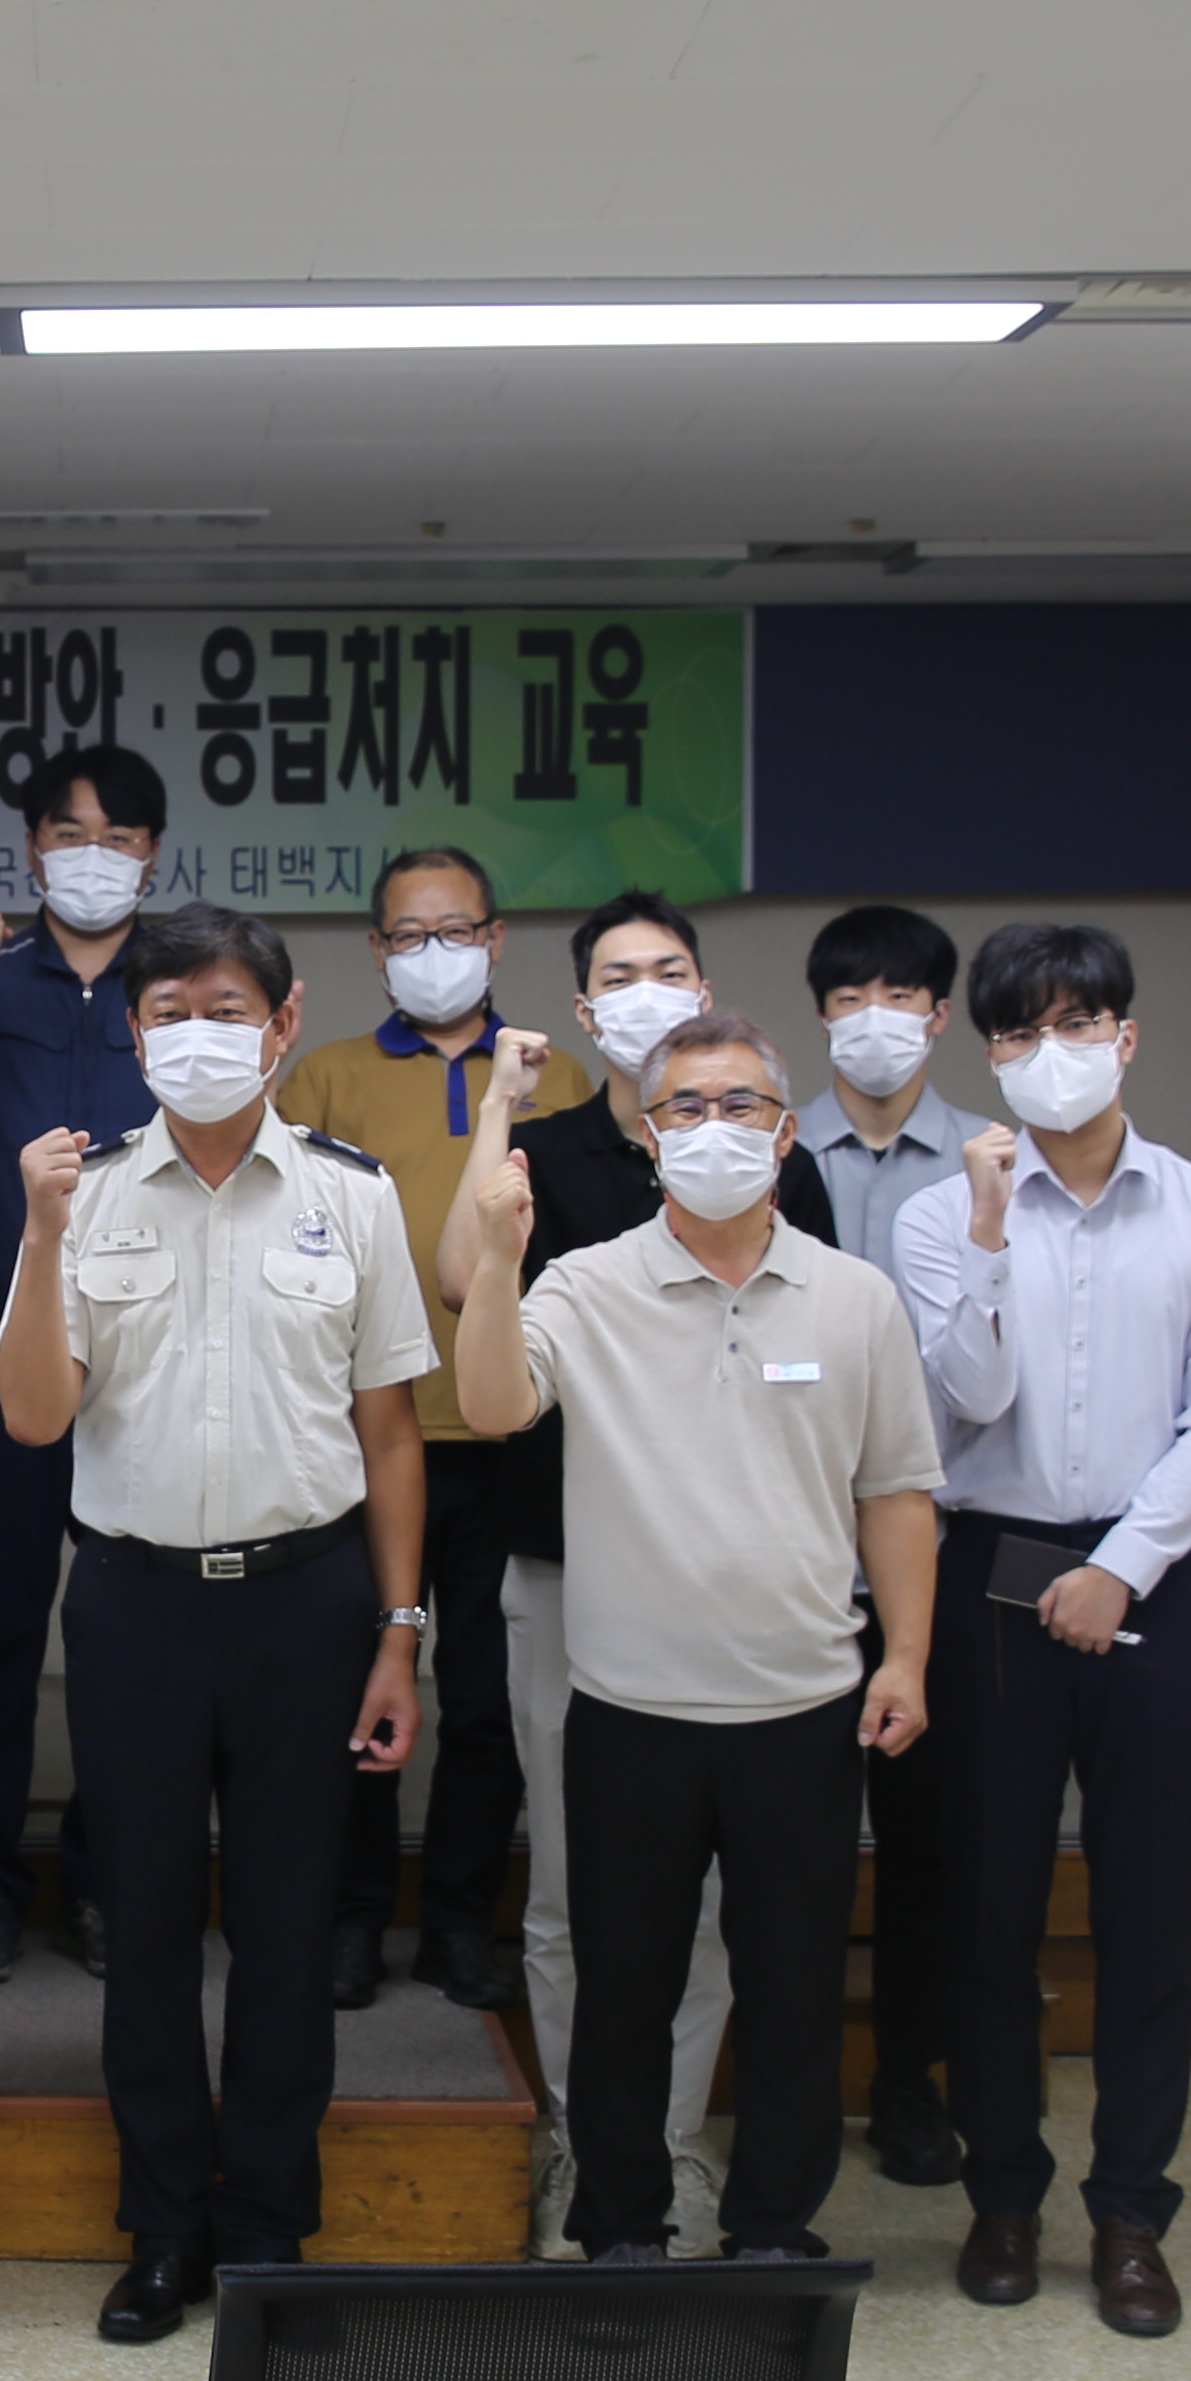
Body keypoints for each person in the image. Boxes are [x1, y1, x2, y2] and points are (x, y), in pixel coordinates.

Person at [0, 906, 433, 2345]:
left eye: (226, 1009)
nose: (198, 1035)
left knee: (291, 1930)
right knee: (146, 1928)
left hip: (309, 1602)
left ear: (283, 1023)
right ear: (134, 1034)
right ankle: (164, 2228)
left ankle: (267, 2229)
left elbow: (391, 1434)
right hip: (135, 1604)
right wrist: (41, 1233)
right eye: (170, 1011)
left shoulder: (353, 1196)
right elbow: (33, 1418)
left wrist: (398, 1631)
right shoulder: (81, 1193)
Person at [454, 1006, 939, 2267]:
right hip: (631, 1709)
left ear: (784, 1135)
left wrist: (904, 1656)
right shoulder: (587, 1282)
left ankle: (773, 2232)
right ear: (652, 1134)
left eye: (740, 1106)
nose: (712, 1127)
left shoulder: (856, 1299)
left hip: (803, 1707)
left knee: (791, 1992)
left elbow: (896, 1491)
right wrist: (499, 1259)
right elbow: (493, 1405)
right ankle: (622, 2229)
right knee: (624, 1990)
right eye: (685, 1107)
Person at [886, 922, 1191, 2342]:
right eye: (1021, 1033)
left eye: (1078, 1025)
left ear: (1127, 1036)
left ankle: (1131, 2212)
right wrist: (991, 1235)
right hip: (993, 1571)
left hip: (1151, 1577)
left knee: (1148, 1910)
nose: (1052, 1054)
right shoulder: (942, 1218)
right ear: (990, 1057)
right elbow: (967, 1403)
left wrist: (1122, 1567)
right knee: (989, 1904)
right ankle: (1003, 2193)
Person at [432, 895, 832, 2251]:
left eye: (670, 969)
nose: (647, 990)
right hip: (569, 1574)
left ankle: (669, 2145)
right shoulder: (542, 1151)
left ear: (705, 991)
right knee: (570, 1897)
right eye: (620, 975)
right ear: (585, 1008)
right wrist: (500, 1100)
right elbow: (460, 1279)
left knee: (707, 1907)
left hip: (739, 1595)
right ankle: (581, 2142)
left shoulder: (770, 1154)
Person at [272, 844, 585, 2016]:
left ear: (496, 940)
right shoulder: (325, 1079)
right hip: (365, 1437)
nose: (434, 953)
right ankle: (353, 1919)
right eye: (410, 935)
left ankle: (458, 1922)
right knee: (360, 1689)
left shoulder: (557, 1075)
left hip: (516, 1440)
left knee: (491, 1703)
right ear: (377, 950)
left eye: (457, 931)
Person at [0, 742, 169, 1985]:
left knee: (131, 1632)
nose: (93, 858)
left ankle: (112, 1884)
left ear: (152, 857)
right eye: (70, 834)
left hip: (149, 1344)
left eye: (119, 838)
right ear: (31, 850)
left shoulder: (180, 981)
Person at [793, 904, 997, 2189]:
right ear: (821, 1015)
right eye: (850, 996)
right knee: (796, 1838)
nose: (876, 1018)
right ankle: (794, 2082)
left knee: (931, 1838)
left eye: (902, 996)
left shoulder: (991, 1162)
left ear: (939, 1013)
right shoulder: (761, 1144)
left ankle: (912, 2077)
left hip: (936, 1542)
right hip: (795, 1545)